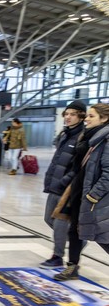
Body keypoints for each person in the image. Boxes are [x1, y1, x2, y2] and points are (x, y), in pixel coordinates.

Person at [40, 100, 86, 269]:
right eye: (66, 114)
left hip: (67, 187)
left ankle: (57, 256)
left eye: (72, 114)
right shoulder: (64, 134)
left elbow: (79, 166)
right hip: (55, 183)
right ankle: (78, 239)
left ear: (81, 116)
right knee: (48, 219)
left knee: (59, 222)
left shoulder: (83, 136)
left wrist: (65, 181)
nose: (68, 117)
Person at [69, 104, 109, 278]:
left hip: (96, 199)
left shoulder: (105, 140)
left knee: (103, 236)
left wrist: (93, 196)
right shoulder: (91, 138)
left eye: (91, 116)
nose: (86, 119)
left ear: (104, 118)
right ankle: (72, 266)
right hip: (81, 193)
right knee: (77, 230)